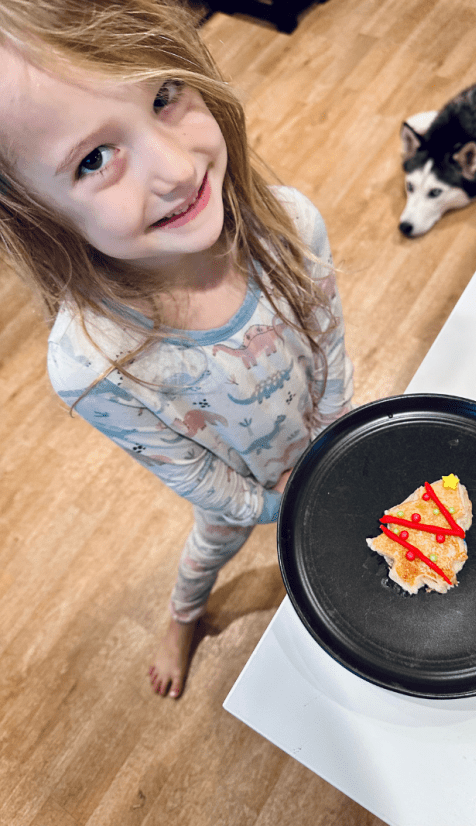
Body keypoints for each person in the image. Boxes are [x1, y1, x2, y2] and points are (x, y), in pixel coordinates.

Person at [0, 0, 353, 698]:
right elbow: (186, 472)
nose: (179, 168)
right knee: (204, 555)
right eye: (95, 159)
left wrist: (332, 434)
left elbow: (330, 341)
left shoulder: (290, 224)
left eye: (164, 95)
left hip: (322, 439)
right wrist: (269, 507)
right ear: (36, 216)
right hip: (241, 494)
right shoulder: (94, 366)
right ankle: (182, 618)